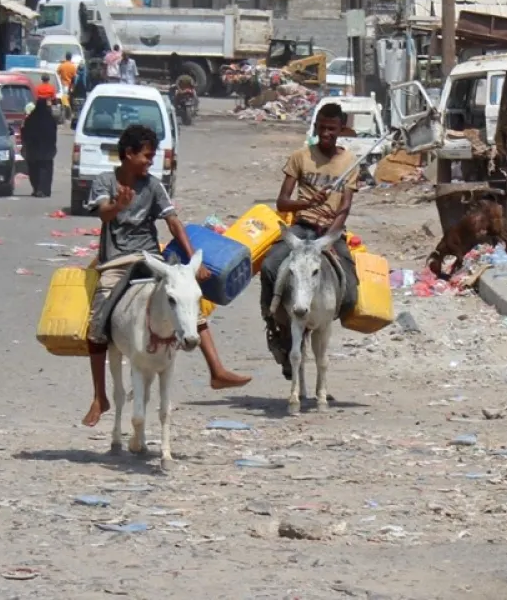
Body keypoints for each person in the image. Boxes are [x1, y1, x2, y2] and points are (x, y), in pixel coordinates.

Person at [82, 124, 249, 427]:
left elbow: (173, 222)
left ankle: (216, 369)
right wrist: (118, 205)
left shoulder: (154, 186)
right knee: (97, 320)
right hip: (116, 263)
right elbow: (103, 213)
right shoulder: (105, 182)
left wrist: (191, 260)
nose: (150, 161)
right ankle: (99, 396)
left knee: (186, 298)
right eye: (146, 156)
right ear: (129, 154)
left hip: (151, 259)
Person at [260, 102, 360, 379]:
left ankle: (321, 322)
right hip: (302, 228)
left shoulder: (350, 163)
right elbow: (282, 202)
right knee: (271, 266)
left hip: (329, 232)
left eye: (333, 129)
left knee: (350, 290)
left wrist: (331, 235)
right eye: (323, 128)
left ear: (341, 130)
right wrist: (304, 202)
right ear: (316, 127)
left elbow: (345, 208)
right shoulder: (300, 157)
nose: (327, 133)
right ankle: (274, 323)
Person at [21, 82, 58, 198]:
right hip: (47, 149)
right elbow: (53, 133)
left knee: (34, 169)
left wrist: (26, 143)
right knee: (46, 169)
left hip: (34, 149)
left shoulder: (31, 118)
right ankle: (44, 190)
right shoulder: (49, 118)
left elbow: (25, 131)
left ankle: (37, 188)